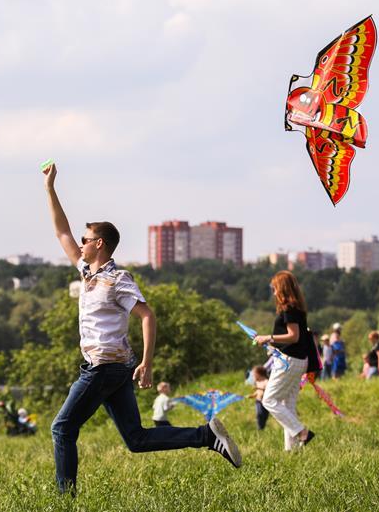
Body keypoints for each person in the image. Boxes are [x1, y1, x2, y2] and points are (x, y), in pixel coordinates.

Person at [42, 163, 242, 494]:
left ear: (99, 244)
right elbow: (61, 233)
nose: (80, 243)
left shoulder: (117, 279)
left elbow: (147, 315)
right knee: (136, 439)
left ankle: (65, 500)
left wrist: (147, 363)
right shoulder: (87, 272)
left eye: (85, 239)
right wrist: (50, 188)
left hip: (104, 368)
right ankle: (207, 436)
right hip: (115, 368)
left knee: (62, 429)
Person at [253, 271, 315, 451]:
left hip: (289, 362)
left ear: (281, 288)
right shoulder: (297, 308)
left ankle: (302, 432)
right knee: (287, 405)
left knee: (269, 400)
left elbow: (293, 336)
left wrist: (268, 338)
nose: (273, 292)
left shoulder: (288, 309)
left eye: (274, 288)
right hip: (297, 361)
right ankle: (292, 450)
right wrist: (272, 345)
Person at [247, 365, 269, 430]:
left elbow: (268, 390)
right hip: (258, 401)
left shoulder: (266, 381)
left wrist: (259, 388)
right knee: (259, 414)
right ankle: (259, 427)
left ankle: (262, 427)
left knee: (264, 415)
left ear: (259, 374)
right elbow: (257, 392)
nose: (253, 376)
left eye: (254, 374)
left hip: (265, 402)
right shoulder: (257, 382)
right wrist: (252, 395)